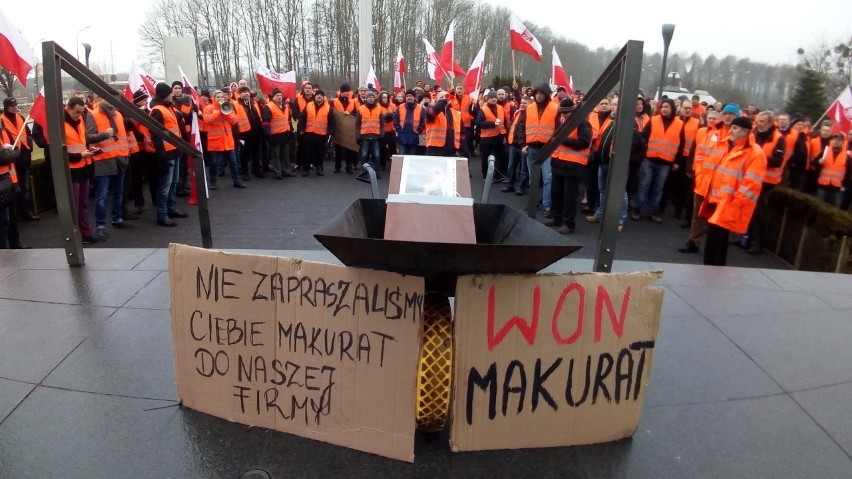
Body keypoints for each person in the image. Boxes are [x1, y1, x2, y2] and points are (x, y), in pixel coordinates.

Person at [701, 116, 766, 266]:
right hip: (719, 200)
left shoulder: (755, 153)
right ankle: (715, 271)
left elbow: (752, 184)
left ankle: (710, 273)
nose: (731, 130)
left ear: (744, 131)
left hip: (729, 203)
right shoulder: (734, 147)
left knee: (715, 240)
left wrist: (736, 203)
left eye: (735, 128)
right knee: (718, 239)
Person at [587, 100, 643, 231]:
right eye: (612, 104)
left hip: (618, 164)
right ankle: (600, 213)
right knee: (602, 190)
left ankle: (620, 219)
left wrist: (625, 160)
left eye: (616, 104)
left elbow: (635, 144)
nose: (613, 107)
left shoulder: (630, 122)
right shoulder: (609, 120)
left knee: (620, 192)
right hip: (603, 161)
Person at [679, 110, 726, 254]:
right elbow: (695, 153)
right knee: (697, 213)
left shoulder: (726, 135)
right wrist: (694, 172)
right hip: (702, 180)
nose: (712, 121)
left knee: (714, 217)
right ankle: (693, 241)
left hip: (718, 184)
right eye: (709, 118)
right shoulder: (702, 132)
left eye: (714, 119)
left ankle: (712, 246)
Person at [86, 98, 133, 241]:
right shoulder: (92, 115)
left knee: (118, 192)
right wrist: (105, 134)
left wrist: (126, 155)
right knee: (102, 196)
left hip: (120, 159)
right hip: (104, 160)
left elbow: (122, 137)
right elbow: (89, 137)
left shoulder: (118, 114)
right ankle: (100, 226)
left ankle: (117, 219)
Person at [634, 98, 684, 222]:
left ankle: (653, 211)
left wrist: (677, 161)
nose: (664, 109)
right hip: (649, 159)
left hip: (666, 162)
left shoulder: (680, 124)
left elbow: (681, 144)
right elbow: (643, 136)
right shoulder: (654, 120)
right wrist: (642, 152)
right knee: (644, 186)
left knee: (658, 188)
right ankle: (638, 209)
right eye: (662, 107)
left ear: (672, 108)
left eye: (666, 107)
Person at [546, 98, 592, 234]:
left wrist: (562, 140)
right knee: (557, 193)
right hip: (559, 162)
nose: (564, 115)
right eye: (563, 113)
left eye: (567, 113)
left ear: (573, 111)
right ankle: (557, 218)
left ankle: (568, 223)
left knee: (570, 197)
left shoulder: (583, 122)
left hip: (573, 165)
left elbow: (584, 142)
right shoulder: (562, 121)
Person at [517, 83, 559, 218]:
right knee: (533, 178)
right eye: (537, 93)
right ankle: (533, 202)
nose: (539, 96)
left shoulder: (555, 108)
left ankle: (547, 204)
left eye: (542, 93)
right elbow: (521, 127)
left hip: (547, 149)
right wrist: (523, 144)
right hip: (531, 147)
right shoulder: (529, 108)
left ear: (546, 94)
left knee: (548, 178)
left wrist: (553, 146)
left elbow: (558, 129)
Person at [746, 110, 785, 254]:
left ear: (770, 123)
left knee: (760, 213)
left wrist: (759, 159)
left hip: (766, 181)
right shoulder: (754, 132)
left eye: (762, 122)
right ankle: (746, 238)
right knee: (749, 209)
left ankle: (758, 243)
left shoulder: (778, 138)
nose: (758, 124)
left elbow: (778, 161)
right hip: (751, 177)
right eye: (758, 121)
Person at [150, 82, 188, 227]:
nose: (173, 94)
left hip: (174, 151)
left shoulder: (168, 108)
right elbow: (156, 136)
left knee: (173, 183)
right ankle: (162, 214)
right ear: (164, 95)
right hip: (167, 153)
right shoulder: (158, 110)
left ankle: (171, 209)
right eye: (170, 93)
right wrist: (162, 155)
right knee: (165, 186)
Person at [63, 97, 99, 242]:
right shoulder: (60, 125)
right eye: (77, 112)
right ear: (69, 108)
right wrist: (79, 155)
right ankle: (75, 235)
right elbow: (58, 151)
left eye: (81, 112)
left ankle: (86, 232)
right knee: (75, 206)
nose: (79, 115)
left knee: (83, 203)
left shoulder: (80, 121)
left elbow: (81, 142)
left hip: (83, 167)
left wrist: (90, 149)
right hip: (71, 170)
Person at [2, 98, 36, 221]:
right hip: (11, 161)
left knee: (25, 188)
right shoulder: (2, 121)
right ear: (6, 107)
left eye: (16, 105)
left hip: (24, 157)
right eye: (12, 105)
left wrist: (29, 148)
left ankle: (27, 212)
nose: (15, 107)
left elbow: (28, 134)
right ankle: (15, 216)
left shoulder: (21, 118)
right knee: (13, 189)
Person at [204, 89, 244, 189]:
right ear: (213, 98)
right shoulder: (208, 108)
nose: (220, 98)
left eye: (222, 97)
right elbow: (208, 120)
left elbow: (234, 121)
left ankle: (237, 181)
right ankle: (213, 182)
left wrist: (228, 112)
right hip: (215, 141)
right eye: (218, 97)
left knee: (233, 163)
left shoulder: (228, 107)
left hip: (228, 140)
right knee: (213, 164)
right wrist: (219, 112)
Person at [297, 89, 334, 176]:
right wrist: (301, 129)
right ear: (315, 96)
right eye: (317, 95)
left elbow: (331, 122)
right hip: (309, 133)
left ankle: (319, 168)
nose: (319, 96)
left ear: (323, 97)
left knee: (320, 152)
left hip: (321, 134)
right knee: (307, 151)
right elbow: (302, 118)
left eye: (321, 95)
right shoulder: (309, 105)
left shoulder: (328, 108)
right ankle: (306, 169)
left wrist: (330, 133)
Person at [261, 88, 296, 180]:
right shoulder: (268, 107)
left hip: (285, 134)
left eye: (281, 95)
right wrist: (268, 135)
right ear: (273, 96)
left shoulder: (286, 106)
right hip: (274, 135)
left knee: (285, 155)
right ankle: (278, 172)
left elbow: (288, 120)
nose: (280, 97)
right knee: (276, 155)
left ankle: (285, 170)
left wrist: (291, 131)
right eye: (277, 96)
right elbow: (265, 123)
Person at [355, 90, 390, 178]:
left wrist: (382, 134)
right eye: (369, 97)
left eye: (372, 97)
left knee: (377, 155)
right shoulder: (361, 108)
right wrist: (358, 136)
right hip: (364, 136)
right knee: (364, 155)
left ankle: (377, 173)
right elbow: (357, 123)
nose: (371, 99)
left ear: (375, 98)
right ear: (366, 99)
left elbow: (382, 123)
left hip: (376, 136)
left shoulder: (379, 108)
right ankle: (364, 172)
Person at [475, 90, 508, 181]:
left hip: (499, 137)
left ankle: (500, 175)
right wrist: (492, 124)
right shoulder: (483, 109)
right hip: (487, 139)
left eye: (495, 98)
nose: (493, 99)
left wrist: (505, 135)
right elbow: (478, 123)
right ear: (487, 99)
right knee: (486, 158)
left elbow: (504, 122)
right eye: (491, 98)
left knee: (503, 156)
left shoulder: (500, 108)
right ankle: (486, 176)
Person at [234, 86, 264, 179]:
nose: (246, 93)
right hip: (243, 134)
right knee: (244, 154)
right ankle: (244, 173)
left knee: (256, 153)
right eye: (244, 92)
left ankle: (256, 171)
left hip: (255, 133)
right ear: (240, 94)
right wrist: (237, 135)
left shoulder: (254, 103)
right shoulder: (236, 105)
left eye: (247, 92)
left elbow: (258, 117)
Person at [504, 95, 529, 195]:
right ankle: (510, 185)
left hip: (523, 145)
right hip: (513, 144)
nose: (522, 104)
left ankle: (521, 188)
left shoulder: (530, 116)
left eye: (525, 103)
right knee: (511, 167)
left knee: (523, 169)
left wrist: (525, 144)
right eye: (522, 102)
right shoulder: (517, 113)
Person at [424, 91, 461, 157]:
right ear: (437, 100)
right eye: (441, 97)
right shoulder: (430, 110)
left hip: (451, 149)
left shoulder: (456, 113)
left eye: (447, 97)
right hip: (434, 148)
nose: (445, 99)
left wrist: (463, 149)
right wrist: (443, 100)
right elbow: (434, 111)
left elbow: (462, 132)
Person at [0, 127, 20, 248]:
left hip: (6, 182)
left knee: (7, 220)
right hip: (3, 184)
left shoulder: (3, 130)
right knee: (3, 222)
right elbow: (3, 157)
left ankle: (13, 246)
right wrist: (14, 151)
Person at [331, 84, 357, 173]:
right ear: (341, 91)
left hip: (348, 129)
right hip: (338, 128)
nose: (348, 93)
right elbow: (330, 114)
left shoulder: (353, 102)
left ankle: (348, 167)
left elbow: (356, 114)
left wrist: (350, 113)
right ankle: (337, 166)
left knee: (349, 149)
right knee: (338, 149)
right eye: (346, 91)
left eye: (349, 91)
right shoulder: (333, 101)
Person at [815, 132, 847, 206]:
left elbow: (848, 172)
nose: (836, 141)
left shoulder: (846, 156)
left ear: (842, 142)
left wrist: (844, 185)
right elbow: (814, 162)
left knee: (834, 209)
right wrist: (818, 162)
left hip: (837, 188)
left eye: (839, 140)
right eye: (834, 139)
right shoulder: (825, 151)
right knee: (818, 206)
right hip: (823, 185)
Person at [393, 89, 425, 156]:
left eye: (410, 96)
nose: (409, 97)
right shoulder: (400, 107)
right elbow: (395, 119)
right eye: (407, 96)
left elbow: (424, 121)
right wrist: (398, 129)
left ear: (414, 97)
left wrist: (419, 130)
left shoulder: (420, 108)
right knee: (402, 157)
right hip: (402, 137)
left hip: (414, 137)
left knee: (411, 157)